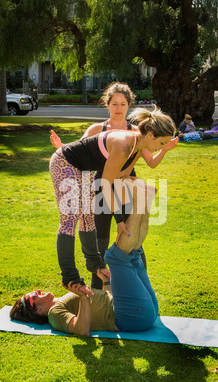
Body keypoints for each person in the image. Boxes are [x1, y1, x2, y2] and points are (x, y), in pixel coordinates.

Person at [50, 82, 178, 289]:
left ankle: (95, 264)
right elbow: (105, 184)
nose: (161, 147)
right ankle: (70, 277)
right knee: (70, 218)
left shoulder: (137, 143)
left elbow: (123, 174)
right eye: (161, 143)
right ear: (151, 136)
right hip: (65, 163)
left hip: (84, 170)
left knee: (87, 218)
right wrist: (119, 220)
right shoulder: (124, 144)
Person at [10, 179, 159, 336]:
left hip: (141, 313)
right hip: (131, 317)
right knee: (115, 257)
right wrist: (82, 297)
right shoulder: (55, 314)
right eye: (33, 295)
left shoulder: (61, 302)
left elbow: (106, 303)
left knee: (134, 253)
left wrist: (106, 281)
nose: (37, 290)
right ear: (36, 309)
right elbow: (81, 330)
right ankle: (140, 200)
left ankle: (145, 199)